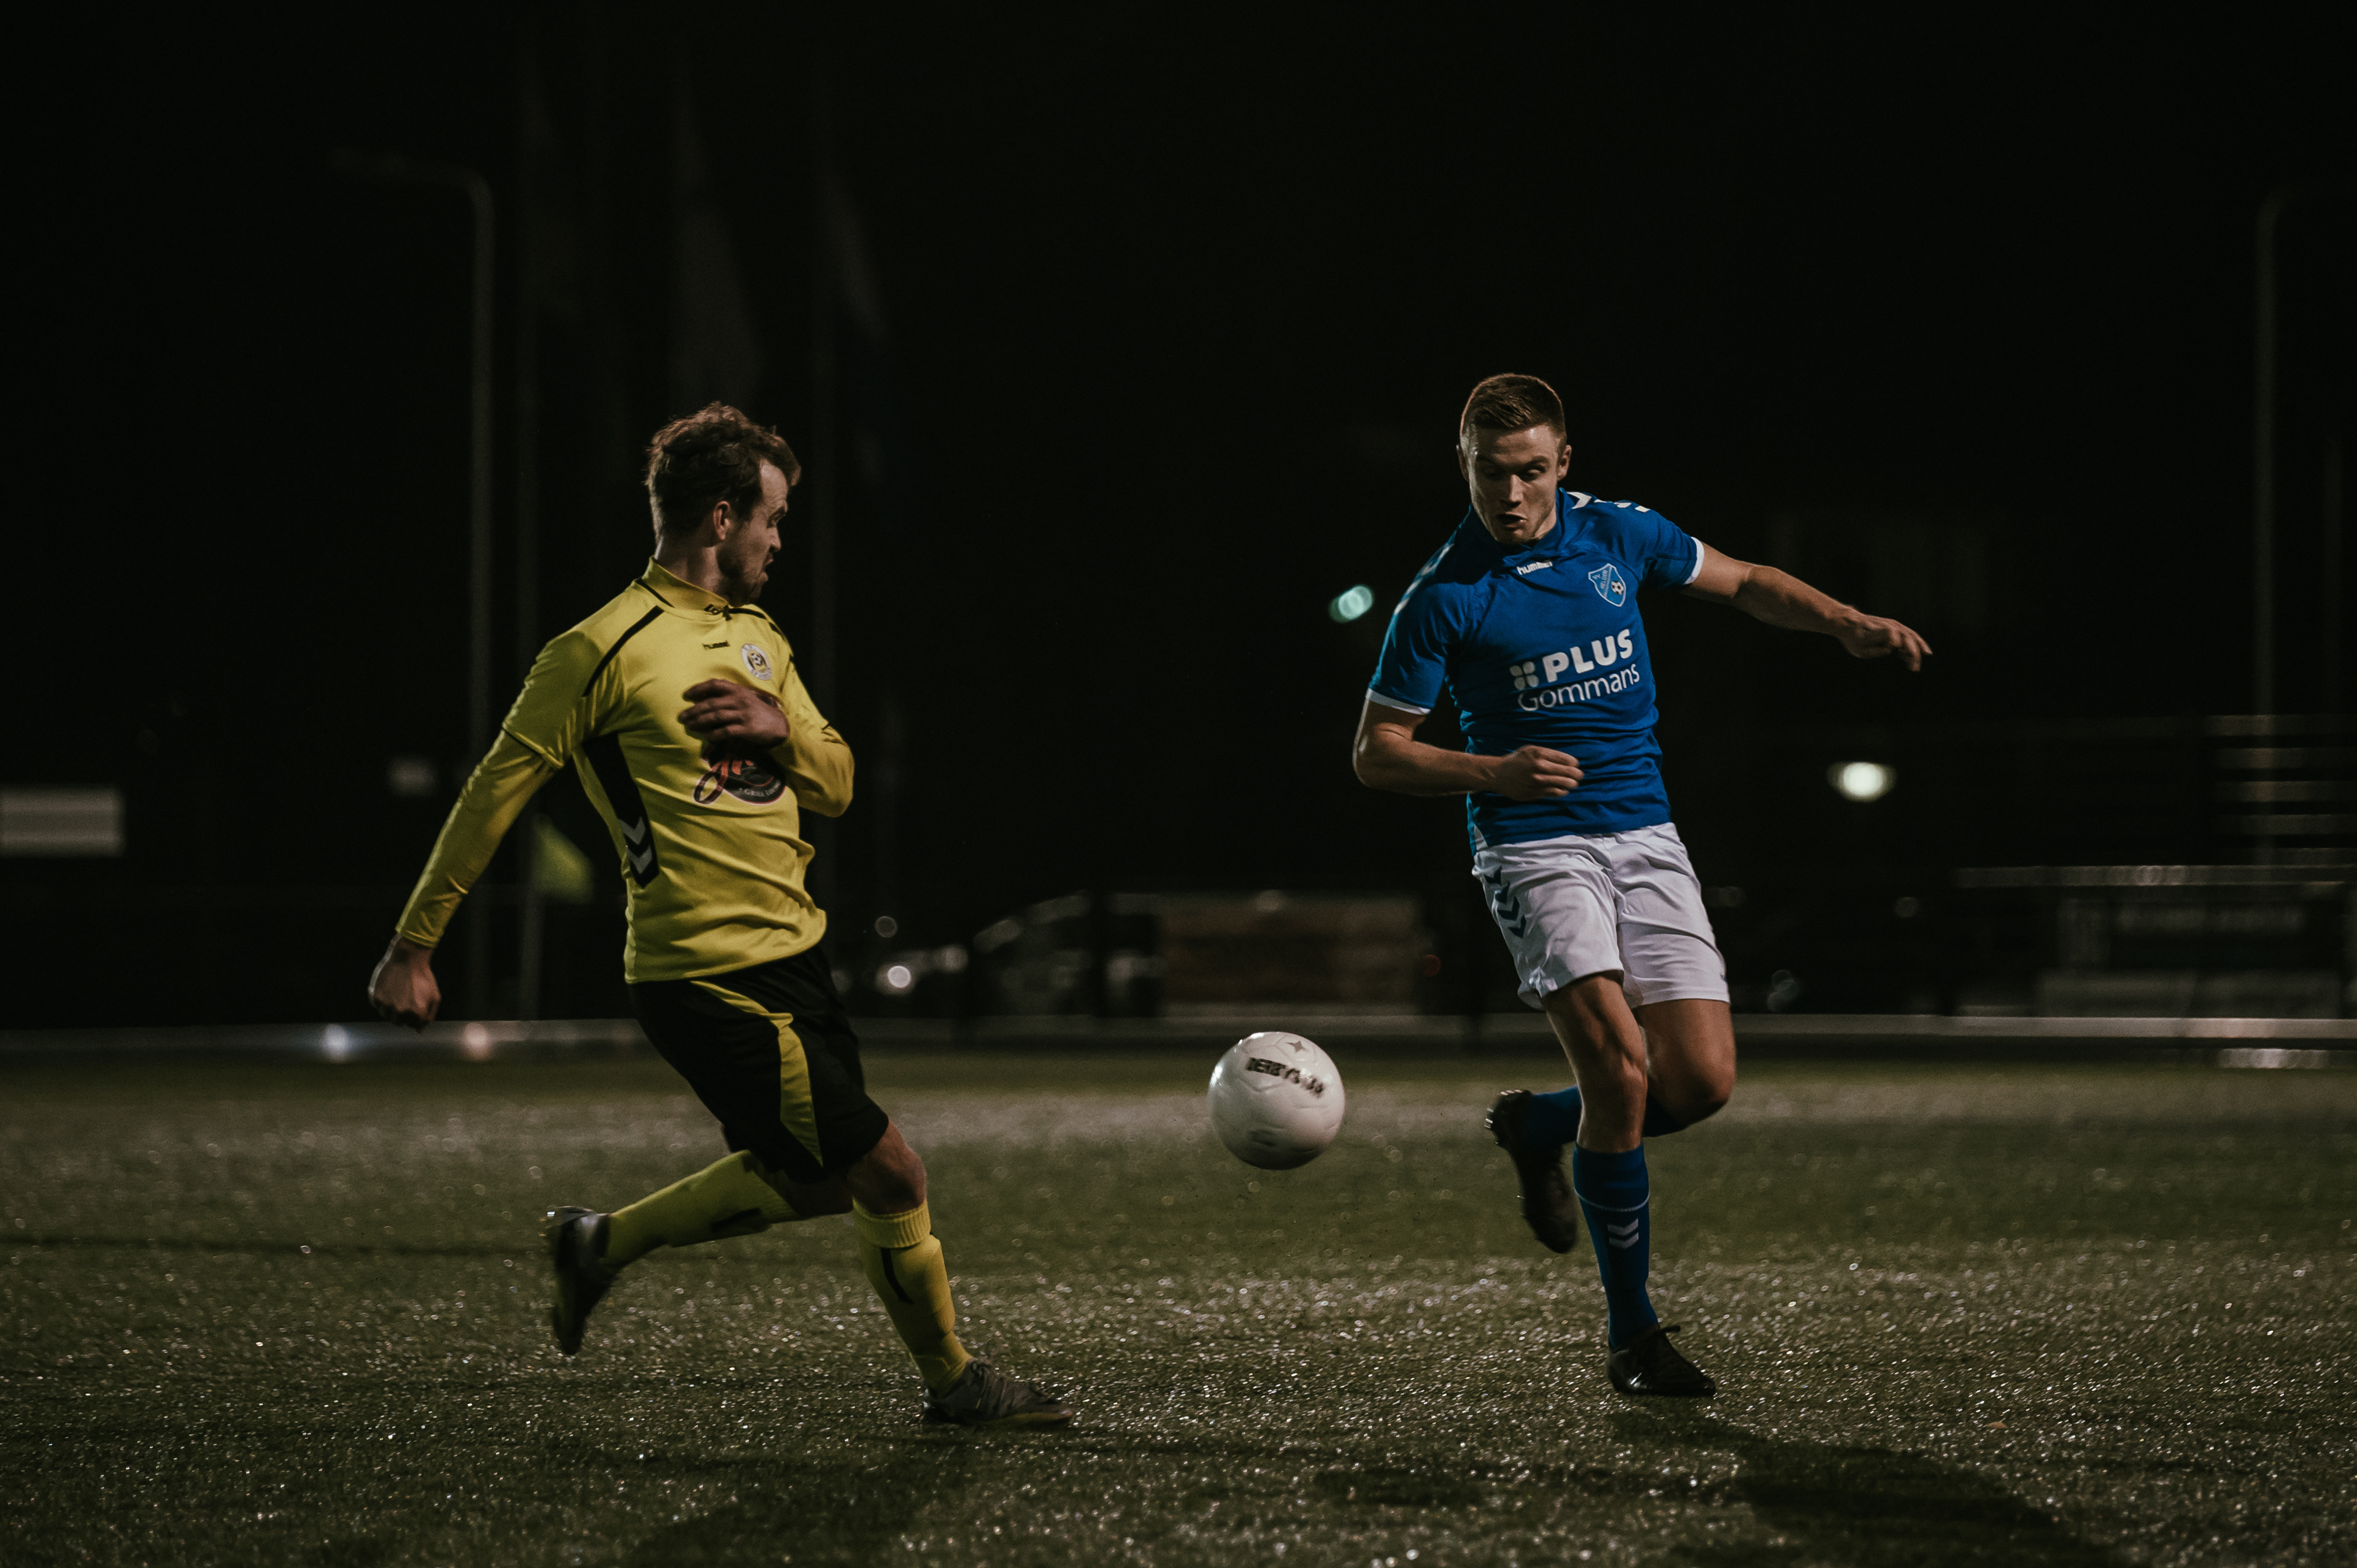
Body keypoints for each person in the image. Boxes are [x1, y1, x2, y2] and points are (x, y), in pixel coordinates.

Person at [368, 403, 1072, 1429]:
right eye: (772, 520)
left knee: (827, 1183)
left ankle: (595, 1245)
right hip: (704, 976)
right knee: (891, 1170)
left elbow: (836, 784)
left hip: (798, 962)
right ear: (721, 517)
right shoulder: (599, 648)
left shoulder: (758, 639)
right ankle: (957, 1384)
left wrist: (779, 728)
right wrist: (413, 946)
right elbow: (492, 795)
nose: (779, 541)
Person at [1352, 374, 1930, 1397]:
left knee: (1699, 1084)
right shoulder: (1445, 594)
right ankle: (1634, 1338)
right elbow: (1377, 752)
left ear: (1565, 463)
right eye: (1492, 474)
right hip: (1534, 846)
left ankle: (1539, 1124)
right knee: (1620, 1074)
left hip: (1646, 834)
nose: (1513, 494)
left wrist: (1844, 620)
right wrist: (1494, 771)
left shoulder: (1618, 534)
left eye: (1532, 471)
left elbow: (1745, 581)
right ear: (1465, 467)